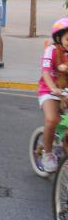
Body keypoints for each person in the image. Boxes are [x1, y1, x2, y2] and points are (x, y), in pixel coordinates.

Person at [38, 18, 68, 172]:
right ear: (59, 38)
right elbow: (46, 73)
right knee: (52, 119)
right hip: (49, 91)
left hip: (66, 93)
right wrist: (53, 88)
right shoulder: (52, 50)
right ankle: (47, 154)